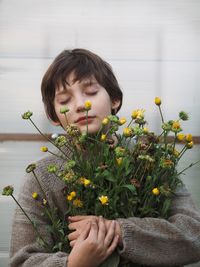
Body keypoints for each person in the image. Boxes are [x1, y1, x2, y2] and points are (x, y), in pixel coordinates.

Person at [10, 48, 200, 267]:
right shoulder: (41, 176)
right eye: (64, 100)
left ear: (115, 99)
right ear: (53, 116)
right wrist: (73, 264)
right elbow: (21, 261)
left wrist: (116, 230)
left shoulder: (151, 160)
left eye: (90, 92)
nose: (81, 105)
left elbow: (194, 234)